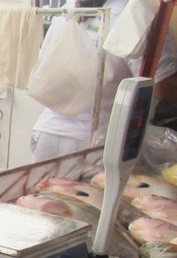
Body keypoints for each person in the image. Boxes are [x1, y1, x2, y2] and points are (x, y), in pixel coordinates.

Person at [31, 0, 177, 161]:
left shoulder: (69, 9)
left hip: (46, 133)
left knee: (45, 186)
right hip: (99, 141)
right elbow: (164, 88)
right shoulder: (137, 14)